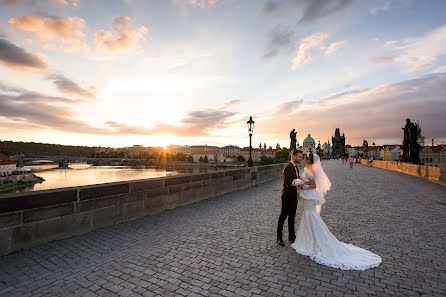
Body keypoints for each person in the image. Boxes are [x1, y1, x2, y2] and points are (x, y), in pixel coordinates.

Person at [291, 153, 382, 270]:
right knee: (307, 215)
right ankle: (307, 239)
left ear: (309, 160)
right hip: (308, 197)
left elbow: (314, 185)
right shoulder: (308, 168)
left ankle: (314, 240)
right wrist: (301, 183)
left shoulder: (312, 170)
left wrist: (302, 186)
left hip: (310, 195)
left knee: (311, 215)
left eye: (305, 158)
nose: (303, 159)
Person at [276, 149, 309, 246]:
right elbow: (290, 182)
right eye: (299, 156)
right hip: (287, 196)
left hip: (294, 197)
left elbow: (296, 181)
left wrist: (299, 189)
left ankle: (291, 236)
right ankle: (279, 237)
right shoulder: (287, 168)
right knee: (283, 217)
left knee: (292, 217)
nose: (301, 158)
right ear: (293, 156)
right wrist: (302, 182)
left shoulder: (296, 168)